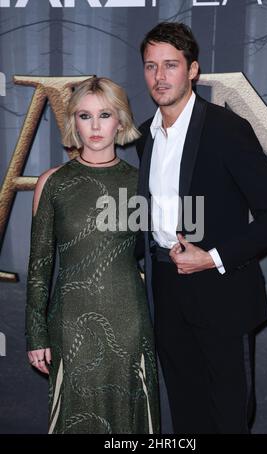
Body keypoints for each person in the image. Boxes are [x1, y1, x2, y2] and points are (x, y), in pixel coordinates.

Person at [136, 22, 267, 434]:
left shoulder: (227, 129)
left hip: (222, 296)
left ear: (192, 70)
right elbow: (142, 216)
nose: (159, 77)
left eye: (170, 65)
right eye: (151, 66)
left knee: (228, 420)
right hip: (166, 295)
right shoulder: (143, 137)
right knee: (186, 417)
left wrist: (211, 258)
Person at [25, 77, 160, 434]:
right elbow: (39, 266)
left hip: (129, 322)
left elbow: (161, 253)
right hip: (70, 326)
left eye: (105, 114)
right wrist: (35, 333)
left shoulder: (143, 183)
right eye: (85, 116)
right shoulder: (52, 182)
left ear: (121, 120)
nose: (96, 126)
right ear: (74, 122)